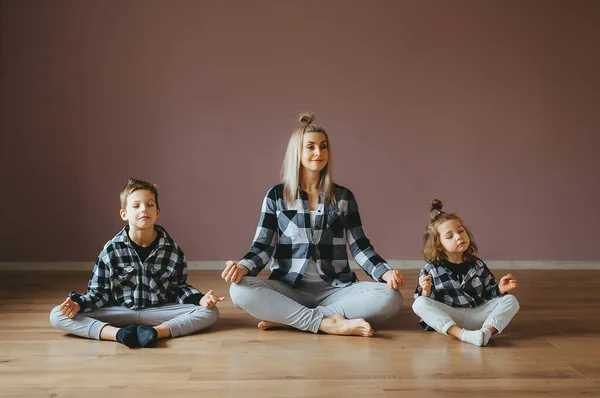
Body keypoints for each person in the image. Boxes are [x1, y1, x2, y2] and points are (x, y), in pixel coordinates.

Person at [222, 113, 404, 337]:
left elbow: (360, 246)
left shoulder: (343, 197)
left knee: (391, 297)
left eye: (323, 146)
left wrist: (384, 273)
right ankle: (328, 322)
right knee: (239, 290)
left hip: (337, 289)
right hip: (289, 288)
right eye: (310, 147)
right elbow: (262, 246)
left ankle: (291, 319)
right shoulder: (276, 196)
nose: (319, 153)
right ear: (297, 152)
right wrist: (243, 267)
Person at [49, 178, 223, 348]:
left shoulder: (171, 249)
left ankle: (155, 332)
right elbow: (98, 293)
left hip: (158, 311)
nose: (143, 210)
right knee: (58, 315)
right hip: (119, 311)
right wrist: (78, 304)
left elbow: (177, 288)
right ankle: (119, 334)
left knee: (211, 312)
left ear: (158, 211)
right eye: (136, 206)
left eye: (149, 205)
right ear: (124, 214)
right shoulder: (111, 250)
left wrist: (201, 299)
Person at [412, 199, 520, 346]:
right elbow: (428, 304)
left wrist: (500, 289)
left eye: (461, 231)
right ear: (439, 246)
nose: (458, 236)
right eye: (449, 236)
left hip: (478, 314)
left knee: (511, 301)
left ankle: (485, 333)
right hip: (452, 318)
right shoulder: (430, 270)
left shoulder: (478, 265)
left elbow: (489, 293)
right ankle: (463, 335)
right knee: (419, 303)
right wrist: (426, 291)